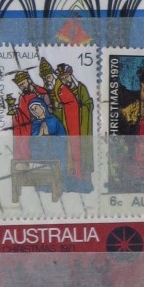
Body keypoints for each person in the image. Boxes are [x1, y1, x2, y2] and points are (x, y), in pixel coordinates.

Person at [55, 62, 94, 191]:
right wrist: (60, 108)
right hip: (69, 128)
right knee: (69, 154)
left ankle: (84, 183)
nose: (65, 80)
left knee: (82, 154)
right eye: (62, 78)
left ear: (71, 75)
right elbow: (59, 110)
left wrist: (80, 107)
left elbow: (89, 104)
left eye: (66, 77)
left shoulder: (81, 88)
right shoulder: (62, 92)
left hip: (82, 128)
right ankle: (71, 183)